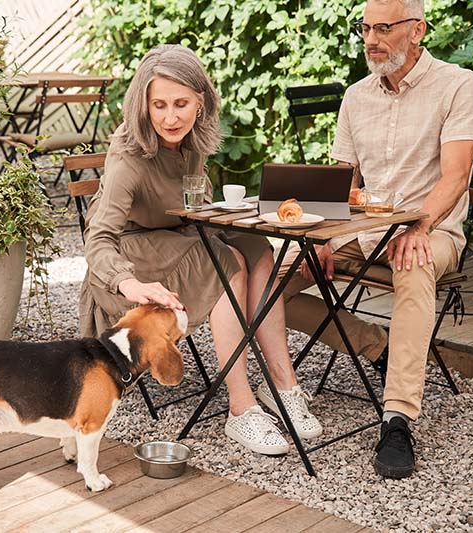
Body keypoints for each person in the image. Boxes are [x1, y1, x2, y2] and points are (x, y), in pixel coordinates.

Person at [79, 45, 322, 456]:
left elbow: (194, 208)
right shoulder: (128, 158)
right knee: (227, 262)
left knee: (257, 248)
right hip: (129, 258)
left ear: (201, 101)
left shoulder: (191, 143)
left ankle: (283, 385)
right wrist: (128, 283)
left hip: (176, 239)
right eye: (158, 105)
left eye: (181, 104)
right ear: (143, 105)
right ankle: (241, 407)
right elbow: (99, 238)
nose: (169, 118)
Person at [281, 0, 473, 478]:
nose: (371, 40)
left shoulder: (458, 85)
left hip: (431, 231)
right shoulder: (356, 97)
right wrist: (321, 233)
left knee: (413, 263)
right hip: (363, 230)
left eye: (383, 28)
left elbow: (457, 176)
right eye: (365, 29)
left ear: (417, 30)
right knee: (270, 283)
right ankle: (377, 347)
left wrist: (420, 226)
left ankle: (397, 419)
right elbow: (343, 176)